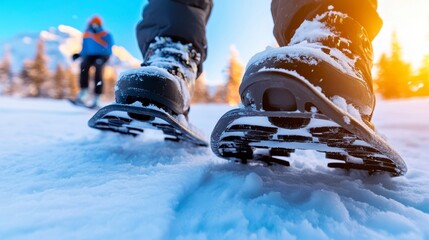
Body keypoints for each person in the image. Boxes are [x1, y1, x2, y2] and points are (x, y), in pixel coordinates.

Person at [72, 16, 114, 108]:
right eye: (92, 24)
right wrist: (79, 55)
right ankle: (84, 93)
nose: (94, 26)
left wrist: (104, 56)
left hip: (102, 55)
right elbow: (85, 48)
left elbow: (109, 47)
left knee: (98, 69)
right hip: (90, 55)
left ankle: (97, 98)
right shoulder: (87, 35)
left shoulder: (106, 34)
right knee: (83, 65)